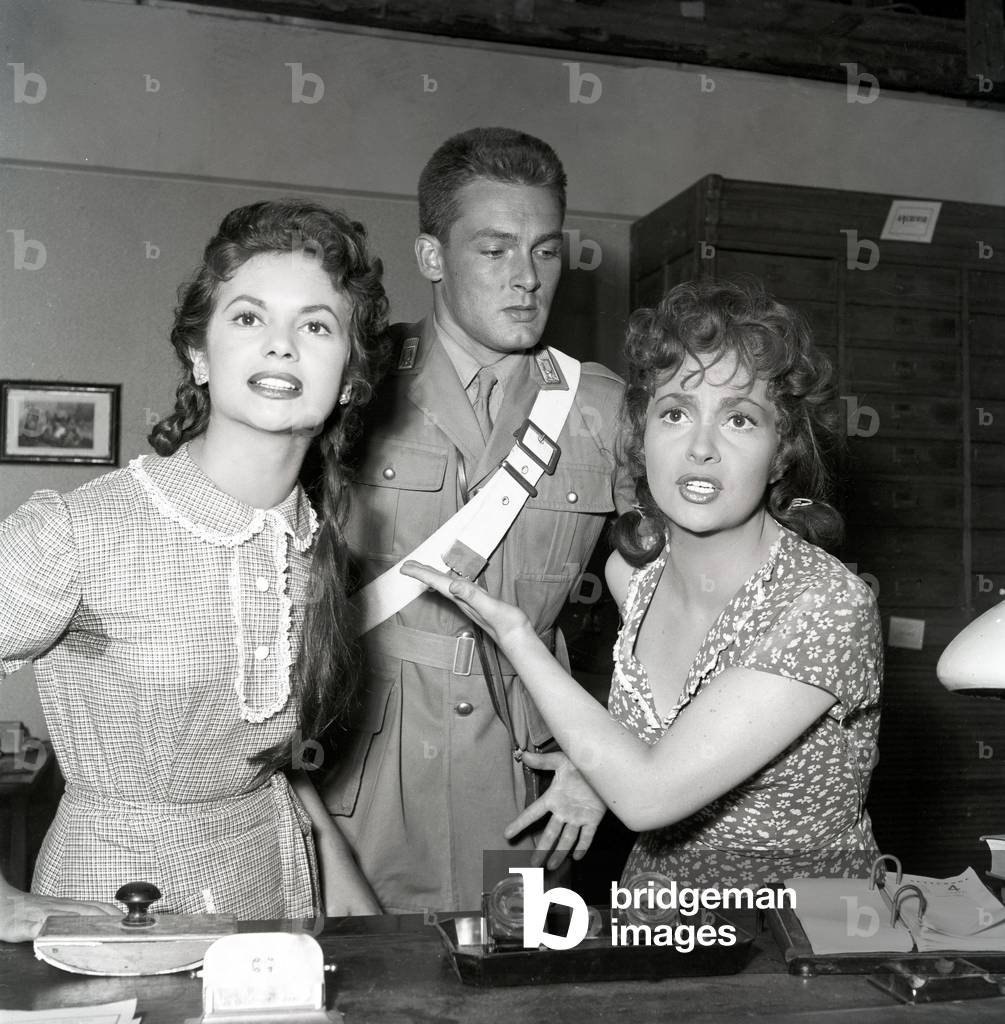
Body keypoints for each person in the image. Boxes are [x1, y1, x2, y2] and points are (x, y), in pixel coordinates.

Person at [405, 279, 883, 891]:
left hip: (798, 940)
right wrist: (594, 761)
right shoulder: (633, 577)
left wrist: (516, 635)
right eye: (676, 413)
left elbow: (648, 796)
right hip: (660, 919)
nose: (701, 448)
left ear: (782, 451)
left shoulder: (826, 607)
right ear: (642, 435)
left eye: (739, 418)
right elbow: (665, 732)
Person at [0, 199, 386, 941]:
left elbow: (270, 766)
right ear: (199, 355)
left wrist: (351, 903)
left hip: (273, 899)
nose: (281, 346)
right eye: (248, 318)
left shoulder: (311, 544)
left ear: (349, 379)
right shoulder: (86, 528)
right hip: (115, 918)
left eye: (315, 325)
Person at [323, 127, 634, 913]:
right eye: (495, 251)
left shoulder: (601, 407)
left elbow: (673, 608)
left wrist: (605, 759)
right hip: (362, 767)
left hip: (528, 782)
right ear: (433, 257)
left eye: (545, 251)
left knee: (512, 983)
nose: (526, 279)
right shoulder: (349, 388)